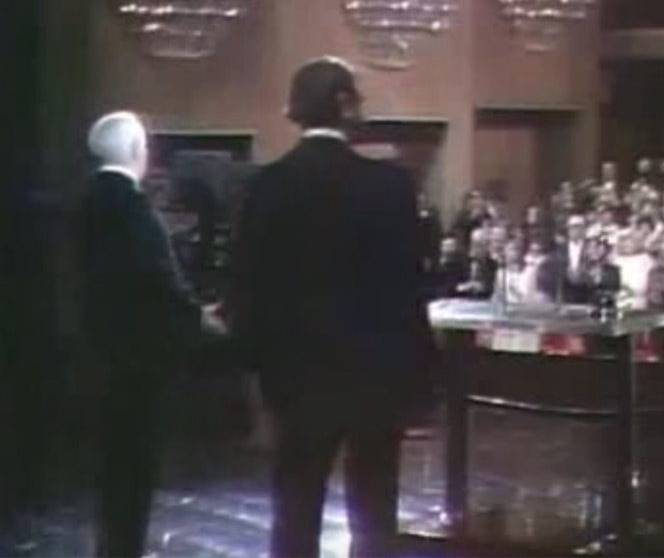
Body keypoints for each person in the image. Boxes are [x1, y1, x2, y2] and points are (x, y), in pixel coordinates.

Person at [226, 58, 436, 558]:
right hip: (375, 379)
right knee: (374, 518)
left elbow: (249, 289)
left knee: (295, 515)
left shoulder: (266, 187)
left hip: (296, 380)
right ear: (343, 104)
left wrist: (253, 377)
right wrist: (421, 375)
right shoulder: (390, 187)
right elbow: (408, 289)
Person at [77, 111, 224, 558]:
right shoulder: (133, 209)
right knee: (132, 473)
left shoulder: (84, 203)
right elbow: (157, 282)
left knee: (108, 470)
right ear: (140, 153)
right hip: (135, 364)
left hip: (95, 354)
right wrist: (202, 319)